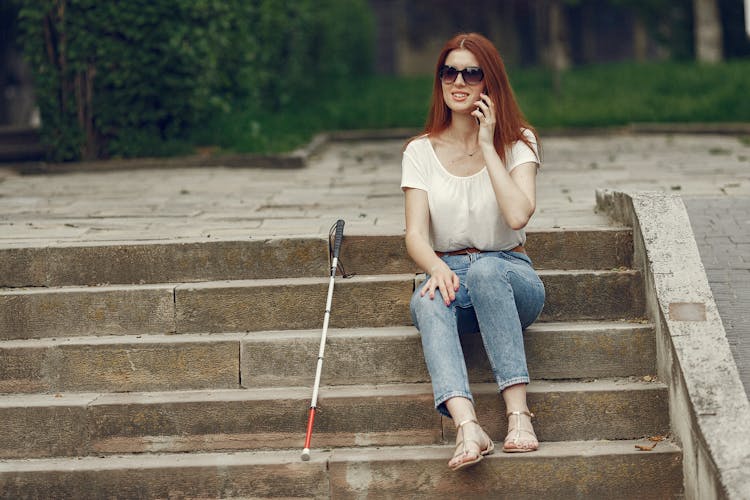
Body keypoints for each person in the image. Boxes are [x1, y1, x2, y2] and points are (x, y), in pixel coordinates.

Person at [400, 32, 545, 471]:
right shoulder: (420, 151)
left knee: (484, 272)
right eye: (449, 71)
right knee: (426, 300)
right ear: (440, 80)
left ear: (489, 83)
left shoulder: (518, 142)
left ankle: (519, 416)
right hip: (453, 273)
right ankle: (467, 426)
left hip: (510, 273)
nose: (458, 81)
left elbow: (519, 215)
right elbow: (415, 235)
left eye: (471, 72)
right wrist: (435, 267)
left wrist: (487, 144)